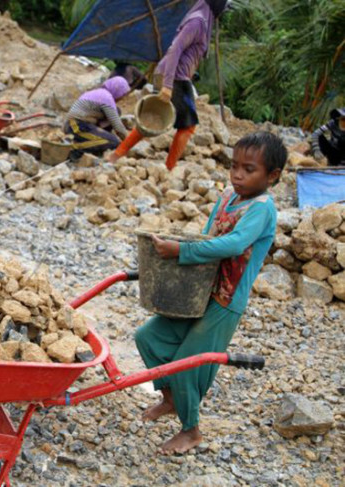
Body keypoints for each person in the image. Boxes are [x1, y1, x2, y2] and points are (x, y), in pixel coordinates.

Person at [134, 131, 287, 455]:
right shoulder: (228, 197)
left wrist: (180, 251)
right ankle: (172, 399)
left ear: (272, 176)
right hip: (200, 291)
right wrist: (179, 258)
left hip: (225, 302)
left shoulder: (261, 209)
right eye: (234, 166)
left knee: (190, 362)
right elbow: (207, 236)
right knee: (149, 337)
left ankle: (191, 431)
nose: (237, 174)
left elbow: (233, 244)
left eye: (249, 169)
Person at [108, 0, 229, 170]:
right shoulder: (198, 21)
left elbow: (187, 53)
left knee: (155, 116)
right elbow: (175, 49)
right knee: (188, 126)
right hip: (174, 78)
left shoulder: (201, 19)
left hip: (167, 73)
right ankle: (169, 168)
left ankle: (116, 155)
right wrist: (167, 85)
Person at [64, 76, 131, 159]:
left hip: (79, 125)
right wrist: (129, 142)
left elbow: (114, 117)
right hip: (76, 126)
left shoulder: (100, 93)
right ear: (117, 91)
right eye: (122, 94)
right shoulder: (106, 97)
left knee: (117, 111)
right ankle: (73, 149)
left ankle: (98, 139)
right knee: (113, 141)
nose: (122, 98)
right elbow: (117, 125)